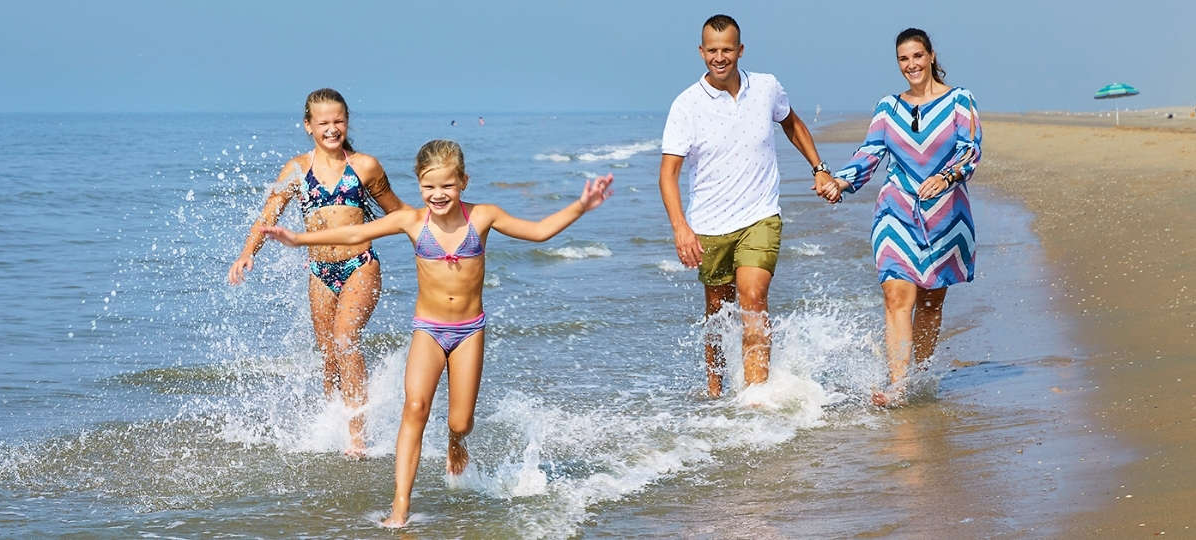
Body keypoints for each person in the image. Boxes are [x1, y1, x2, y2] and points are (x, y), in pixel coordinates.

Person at [259, 140, 614, 528]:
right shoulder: (412, 221)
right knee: (415, 409)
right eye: (429, 187)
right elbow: (351, 235)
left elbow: (539, 231)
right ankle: (400, 507)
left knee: (460, 422)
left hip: (468, 332)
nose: (437, 195)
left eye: (447, 186)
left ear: (463, 181)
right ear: (419, 185)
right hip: (428, 330)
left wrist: (582, 206)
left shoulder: (483, 216)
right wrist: (298, 239)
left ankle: (455, 442)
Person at [659, 14, 836, 398]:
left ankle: (757, 401)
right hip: (709, 226)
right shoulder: (686, 105)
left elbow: (792, 124)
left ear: (740, 50)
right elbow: (668, 174)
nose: (719, 57)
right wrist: (680, 227)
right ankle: (716, 391)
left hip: (760, 216)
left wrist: (819, 169)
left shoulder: (767, 87)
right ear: (701, 51)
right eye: (712, 50)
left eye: (727, 49)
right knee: (718, 316)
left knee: (753, 300)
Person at [227, 88, 408, 458]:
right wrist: (247, 254)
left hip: (361, 265)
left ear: (347, 121)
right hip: (320, 271)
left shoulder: (365, 166)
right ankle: (334, 425)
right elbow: (268, 217)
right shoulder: (296, 169)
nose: (332, 128)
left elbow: (400, 214)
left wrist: (437, 234)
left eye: (338, 121)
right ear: (308, 126)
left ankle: (358, 436)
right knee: (328, 355)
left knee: (345, 339)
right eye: (323, 122)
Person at [818, 28, 982, 407]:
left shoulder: (960, 100)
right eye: (904, 59)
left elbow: (970, 151)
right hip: (897, 211)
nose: (911, 65)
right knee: (896, 294)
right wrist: (842, 182)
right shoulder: (888, 107)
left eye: (917, 56)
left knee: (930, 303)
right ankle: (898, 384)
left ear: (931, 56)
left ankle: (920, 375)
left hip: (945, 217)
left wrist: (944, 178)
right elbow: (870, 153)